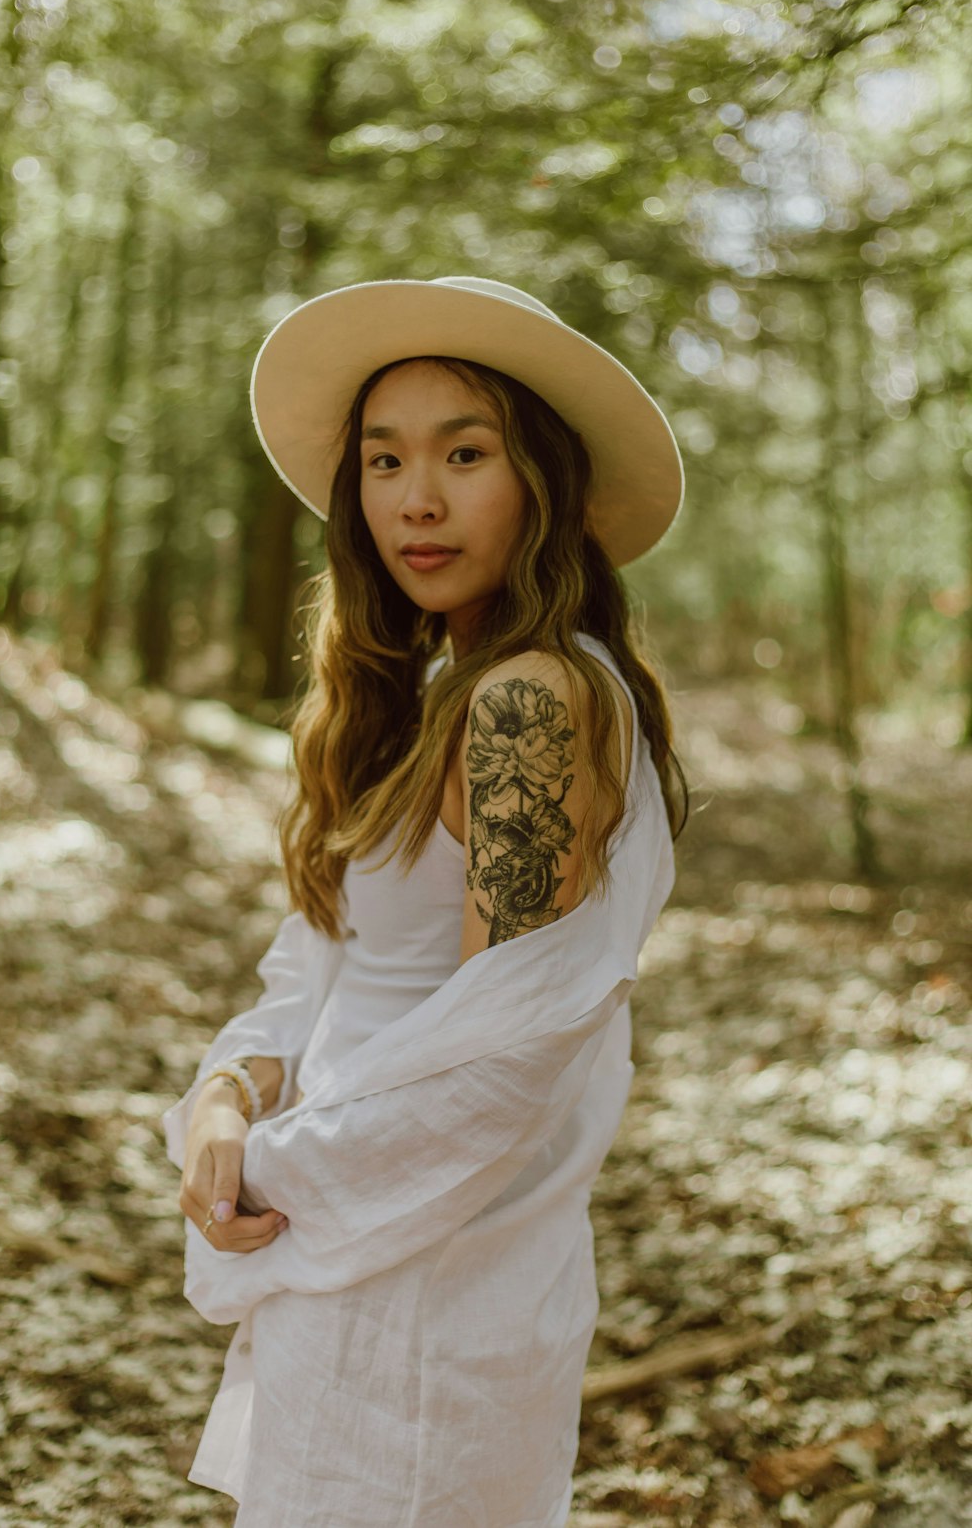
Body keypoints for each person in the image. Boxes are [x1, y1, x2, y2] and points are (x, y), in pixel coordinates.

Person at [162, 275, 689, 1527]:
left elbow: (497, 1055)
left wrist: (281, 1175)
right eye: (386, 460)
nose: (418, 498)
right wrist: (227, 1097)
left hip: (427, 1279)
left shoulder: (530, 702)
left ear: (543, 480)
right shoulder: (431, 689)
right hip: (350, 1246)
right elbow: (319, 968)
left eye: (467, 452)